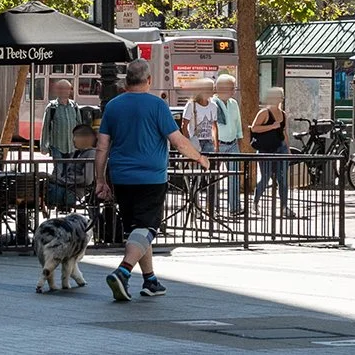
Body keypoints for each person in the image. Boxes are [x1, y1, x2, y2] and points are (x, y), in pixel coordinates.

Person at [96, 57, 210, 302]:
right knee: (147, 228)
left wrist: (99, 180)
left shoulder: (113, 106)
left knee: (136, 230)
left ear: (126, 82)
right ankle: (123, 271)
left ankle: (150, 280)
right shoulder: (157, 106)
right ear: (149, 80)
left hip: (121, 177)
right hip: (151, 176)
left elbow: (102, 148)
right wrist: (199, 157)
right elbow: (178, 141)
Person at [250, 86, 300, 218]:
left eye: (281, 96)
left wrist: (288, 149)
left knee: (282, 179)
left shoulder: (283, 114)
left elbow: (284, 133)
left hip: (280, 148)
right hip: (266, 149)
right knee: (265, 178)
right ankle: (255, 202)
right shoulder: (264, 113)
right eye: (278, 96)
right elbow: (254, 128)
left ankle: (284, 207)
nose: (280, 99)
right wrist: (271, 126)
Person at [211, 73, 245, 213]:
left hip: (232, 144)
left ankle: (235, 207)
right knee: (214, 178)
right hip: (217, 144)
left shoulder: (234, 103)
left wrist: (240, 139)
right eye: (232, 87)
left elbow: (238, 123)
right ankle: (213, 207)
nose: (234, 90)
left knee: (234, 175)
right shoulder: (212, 103)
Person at [48, 122, 98, 209]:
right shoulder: (76, 153)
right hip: (65, 187)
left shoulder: (91, 154)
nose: (74, 139)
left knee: (40, 189)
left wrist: (61, 180)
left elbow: (87, 179)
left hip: (72, 193)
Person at [42, 78, 83, 158]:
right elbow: (46, 127)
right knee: (59, 170)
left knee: (70, 170)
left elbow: (79, 125)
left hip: (72, 147)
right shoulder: (51, 107)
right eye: (61, 89)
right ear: (57, 91)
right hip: (57, 146)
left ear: (70, 91)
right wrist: (44, 146)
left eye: (66, 89)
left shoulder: (74, 106)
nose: (64, 91)